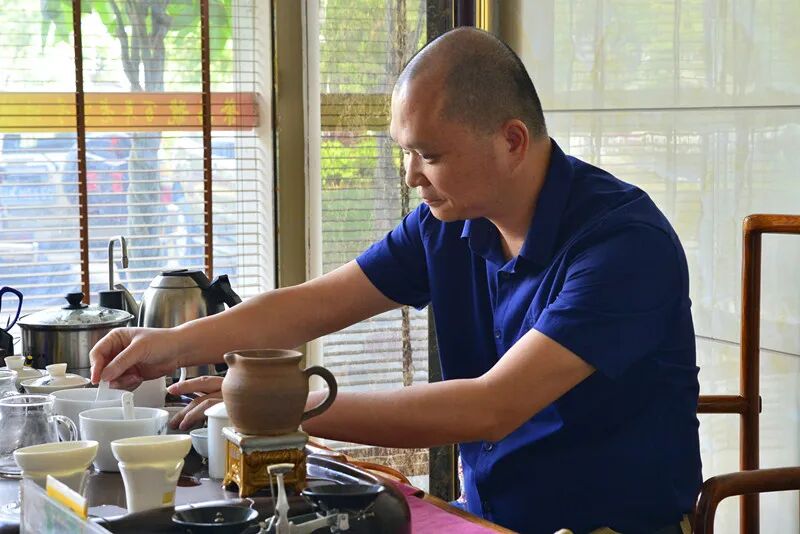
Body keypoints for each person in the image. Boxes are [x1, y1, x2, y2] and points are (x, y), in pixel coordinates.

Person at [90, 27, 701, 533]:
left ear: (512, 141)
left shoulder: (624, 245)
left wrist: (283, 408)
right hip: (484, 516)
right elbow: (314, 304)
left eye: (429, 155)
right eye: (403, 152)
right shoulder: (448, 222)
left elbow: (491, 407)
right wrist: (169, 344)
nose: (411, 177)